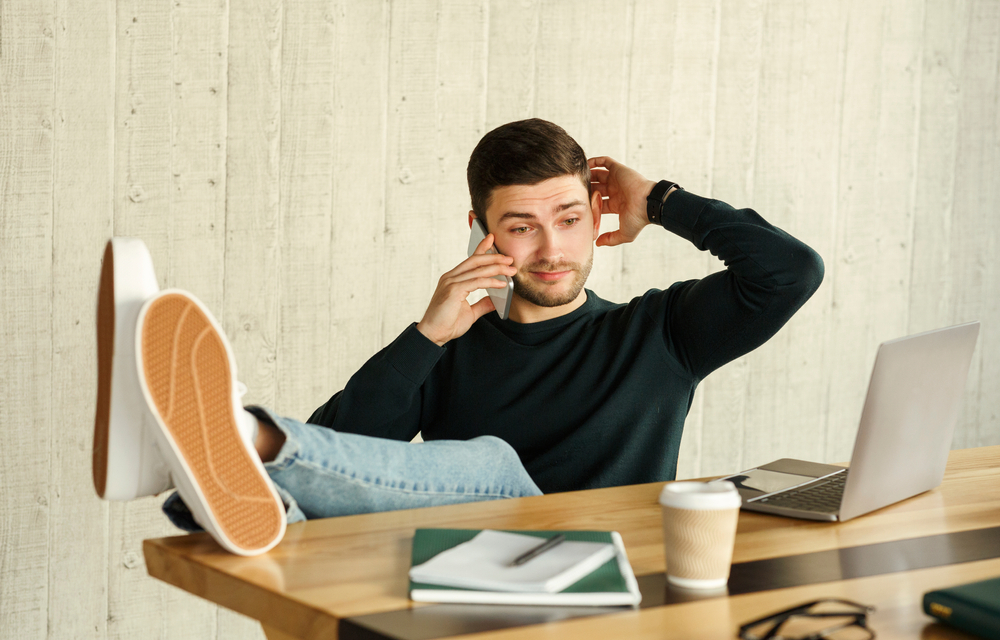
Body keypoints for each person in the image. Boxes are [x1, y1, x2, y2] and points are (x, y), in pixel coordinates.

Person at [92, 119, 823, 556]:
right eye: (522, 226)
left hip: (603, 571)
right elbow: (344, 452)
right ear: (482, 232)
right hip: (469, 576)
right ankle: (198, 461)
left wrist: (660, 201)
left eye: (569, 218)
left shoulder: (661, 333)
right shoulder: (452, 347)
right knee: (281, 494)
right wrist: (426, 336)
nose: (551, 249)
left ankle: (216, 440)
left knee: (492, 467)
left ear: (597, 216)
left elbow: (790, 271)